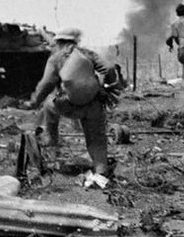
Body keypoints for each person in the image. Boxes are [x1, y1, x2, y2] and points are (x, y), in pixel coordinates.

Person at [21, 27, 120, 176]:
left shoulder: (56, 58)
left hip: (67, 105)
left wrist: (33, 102)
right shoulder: (89, 54)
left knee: (48, 105)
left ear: (59, 42)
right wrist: (106, 86)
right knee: (96, 139)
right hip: (93, 105)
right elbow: (109, 68)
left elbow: (46, 84)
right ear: (75, 41)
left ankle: (52, 142)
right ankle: (101, 173)